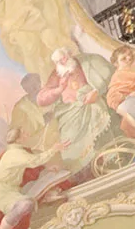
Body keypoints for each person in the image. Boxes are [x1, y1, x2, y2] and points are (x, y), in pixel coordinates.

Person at [35, 43, 114, 177]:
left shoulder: (90, 61)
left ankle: (106, 159)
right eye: (59, 61)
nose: (63, 62)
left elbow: (109, 73)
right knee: (70, 141)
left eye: (64, 58)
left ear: (70, 55)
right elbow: (41, 99)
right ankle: (82, 170)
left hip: (91, 103)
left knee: (98, 119)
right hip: (69, 112)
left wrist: (96, 91)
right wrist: (58, 90)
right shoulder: (57, 74)